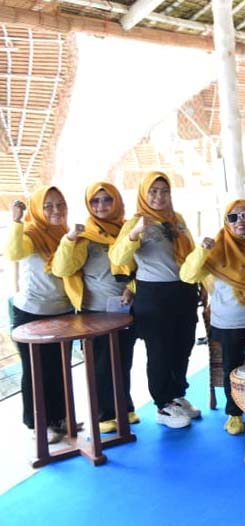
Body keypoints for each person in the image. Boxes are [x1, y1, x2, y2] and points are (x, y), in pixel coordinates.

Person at [181, 200, 245, 435]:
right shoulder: (216, 249)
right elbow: (187, 275)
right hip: (227, 324)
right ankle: (235, 413)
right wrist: (201, 250)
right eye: (233, 217)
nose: (240, 222)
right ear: (226, 221)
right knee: (232, 370)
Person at [111, 172, 200, 428]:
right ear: (143, 194)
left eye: (164, 191)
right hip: (154, 295)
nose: (159, 196)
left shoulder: (177, 220)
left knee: (183, 345)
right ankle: (163, 405)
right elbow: (118, 256)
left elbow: (191, 254)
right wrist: (135, 233)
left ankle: (176, 394)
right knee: (160, 350)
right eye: (153, 191)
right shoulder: (137, 221)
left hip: (183, 290)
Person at [52, 182, 137, 433]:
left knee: (123, 360)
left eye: (107, 200)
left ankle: (124, 409)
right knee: (100, 365)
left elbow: (139, 268)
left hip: (124, 310)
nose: (101, 206)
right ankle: (103, 415)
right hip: (94, 311)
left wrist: (132, 287)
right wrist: (69, 240)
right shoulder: (84, 235)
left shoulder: (128, 230)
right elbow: (63, 269)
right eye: (95, 201)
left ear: (117, 202)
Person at [8, 188, 77, 442]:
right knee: (35, 370)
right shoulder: (29, 233)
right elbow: (14, 253)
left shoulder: (66, 234)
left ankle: (60, 417)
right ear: (38, 209)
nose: (56, 210)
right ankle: (39, 423)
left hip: (63, 311)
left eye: (60, 204)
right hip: (31, 312)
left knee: (60, 367)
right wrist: (15, 221)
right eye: (48, 206)